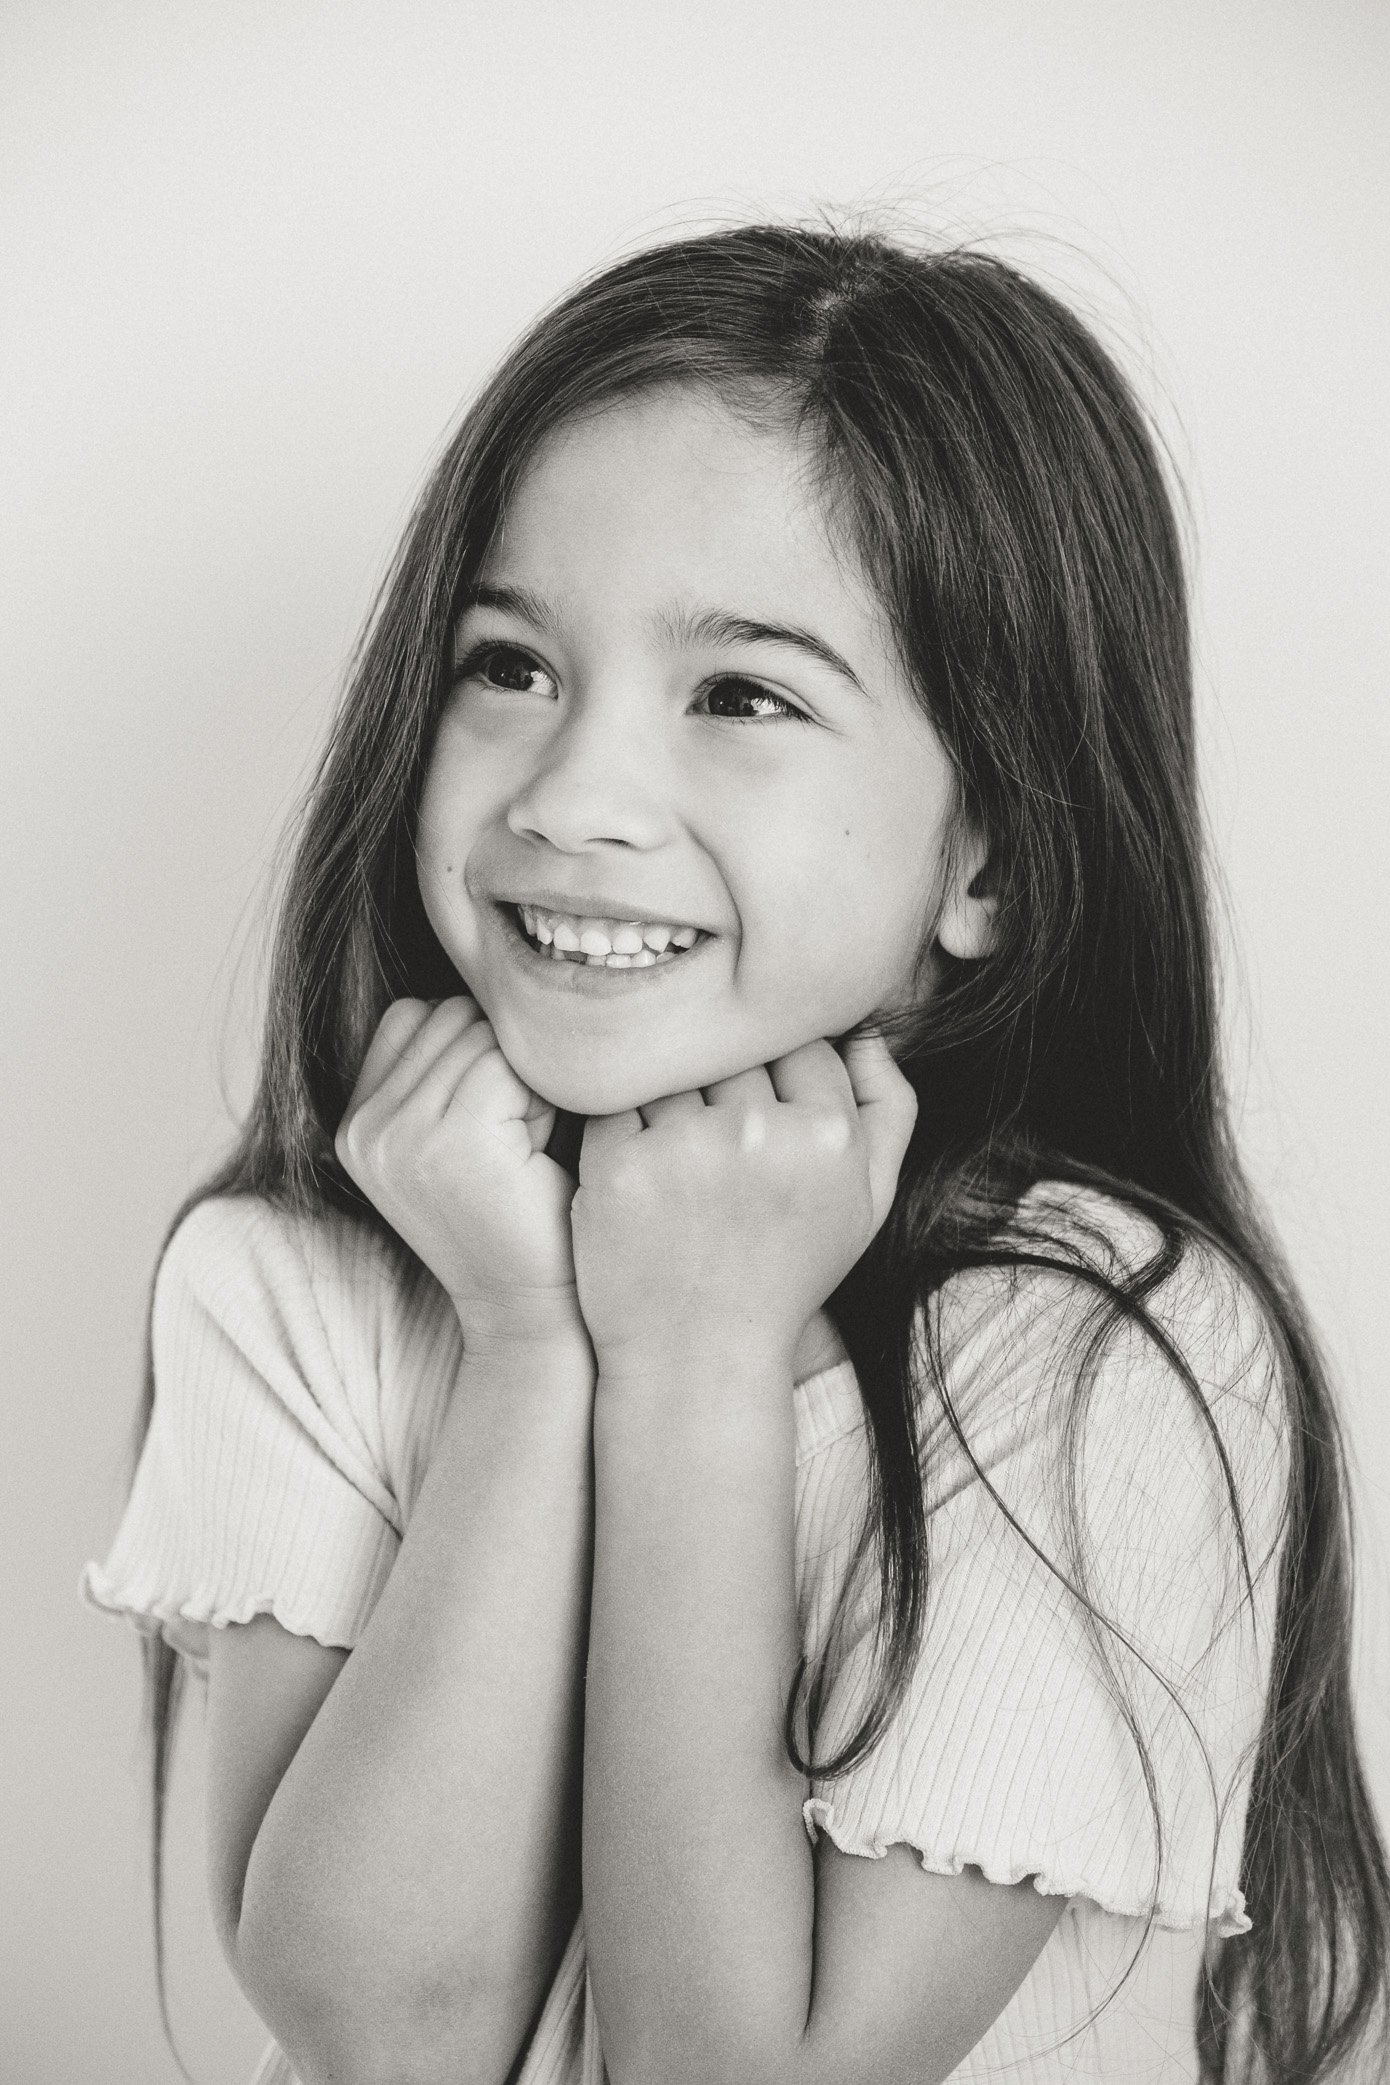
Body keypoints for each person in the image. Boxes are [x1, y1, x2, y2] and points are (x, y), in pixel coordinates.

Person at [84, 223, 1389, 2085]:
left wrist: (696, 1364)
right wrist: (529, 1346)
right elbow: (384, 2030)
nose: (571, 796)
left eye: (740, 696)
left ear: (991, 859)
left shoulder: (1099, 1351)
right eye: (509, 665)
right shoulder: (293, 1273)